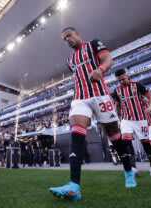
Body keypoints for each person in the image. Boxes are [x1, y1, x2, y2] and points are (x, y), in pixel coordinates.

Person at [49, 27, 134, 201]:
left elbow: (108, 59)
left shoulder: (93, 44)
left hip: (101, 95)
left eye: (69, 36)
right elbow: (78, 76)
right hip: (80, 98)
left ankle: (128, 171)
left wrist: (101, 69)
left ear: (77, 34)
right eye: (64, 39)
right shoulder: (70, 59)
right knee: (76, 131)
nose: (67, 40)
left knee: (114, 136)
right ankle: (74, 186)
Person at [111, 69, 151, 176]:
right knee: (126, 141)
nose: (122, 81)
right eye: (119, 80)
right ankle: (133, 167)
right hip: (126, 119)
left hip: (140, 119)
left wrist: (150, 106)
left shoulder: (137, 85)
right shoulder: (117, 90)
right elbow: (117, 105)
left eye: (123, 79)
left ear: (127, 76)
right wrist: (118, 119)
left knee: (145, 143)